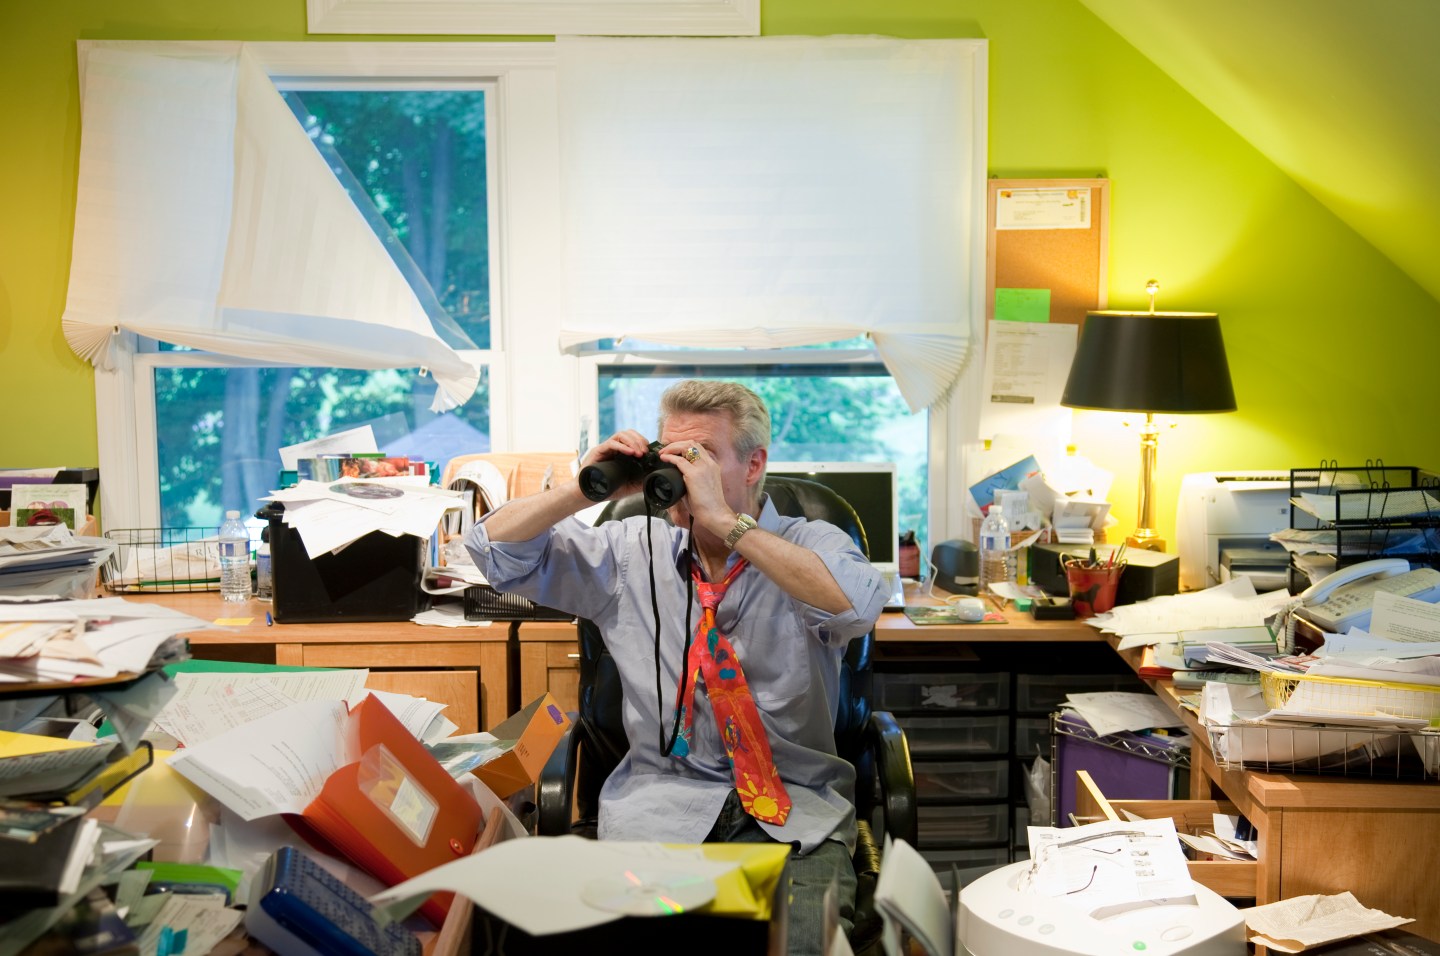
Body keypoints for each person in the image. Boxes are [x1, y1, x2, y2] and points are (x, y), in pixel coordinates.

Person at [465, 380, 888, 955]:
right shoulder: (630, 550)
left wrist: (727, 522)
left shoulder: (809, 542)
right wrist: (582, 490)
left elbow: (858, 604)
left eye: (703, 456)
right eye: (675, 454)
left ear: (755, 463)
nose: (686, 473)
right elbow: (493, 550)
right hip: (662, 808)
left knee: (807, 943)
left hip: (795, 814)